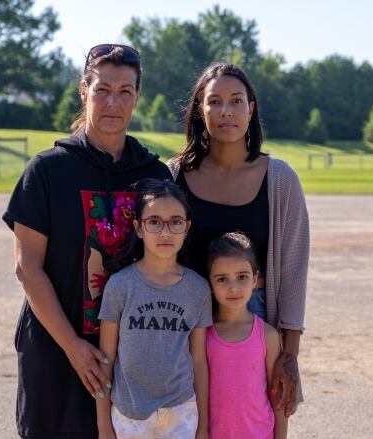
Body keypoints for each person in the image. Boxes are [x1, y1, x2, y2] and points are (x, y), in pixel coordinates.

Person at [3, 44, 171, 438]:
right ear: (84, 91)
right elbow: (28, 268)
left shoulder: (156, 175)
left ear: (137, 96)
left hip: (131, 356)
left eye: (125, 91)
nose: (114, 101)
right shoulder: (48, 170)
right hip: (55, 349)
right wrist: (73, 347)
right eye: (102, 89)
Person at [167, 62, 309, 417]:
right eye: (214, 101)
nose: (226, 110)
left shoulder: (280, 180)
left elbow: (293, 272)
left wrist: (289, 356)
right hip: (186, 319)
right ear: (201, 109)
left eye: (236, 100)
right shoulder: (172, 175)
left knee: (248, 419)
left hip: (253, 317)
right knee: (190, 421)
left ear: (251, 108)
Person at [96, 179, 211, 439]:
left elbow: (200, 362)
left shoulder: (198, 289)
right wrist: (104, 427)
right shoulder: (120, 285)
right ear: (138, 227)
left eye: (176, 222)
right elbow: (106, 360)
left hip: (181, 412)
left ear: (187, 227)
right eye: (154, 221)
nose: (165, 232)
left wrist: (203, 426)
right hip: (129, 415)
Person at [205, 232, 288, 439]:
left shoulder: (267, 335)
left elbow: (277, 397)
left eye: (242, 277)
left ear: (255, 279)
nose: (233, 287)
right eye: (222, 279)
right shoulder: (203, 334)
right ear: (210, 283)